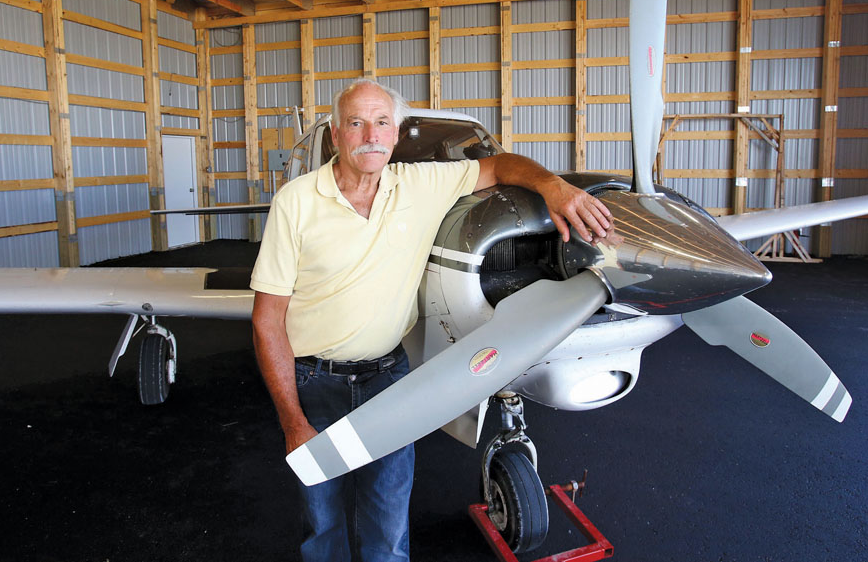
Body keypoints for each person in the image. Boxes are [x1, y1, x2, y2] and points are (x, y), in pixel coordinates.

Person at [250, 78, 611, 562]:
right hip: (315, 380)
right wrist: (291, 420)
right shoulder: (294, 202)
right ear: (336, 136)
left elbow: (500, 165)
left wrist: (554, 187)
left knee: (389, 525)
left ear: (395, 135)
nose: (371, 135)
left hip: (391, 379)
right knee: (322, 523)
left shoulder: (420, 184)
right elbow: (267, 320)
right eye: (356, 124)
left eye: (382, 123)